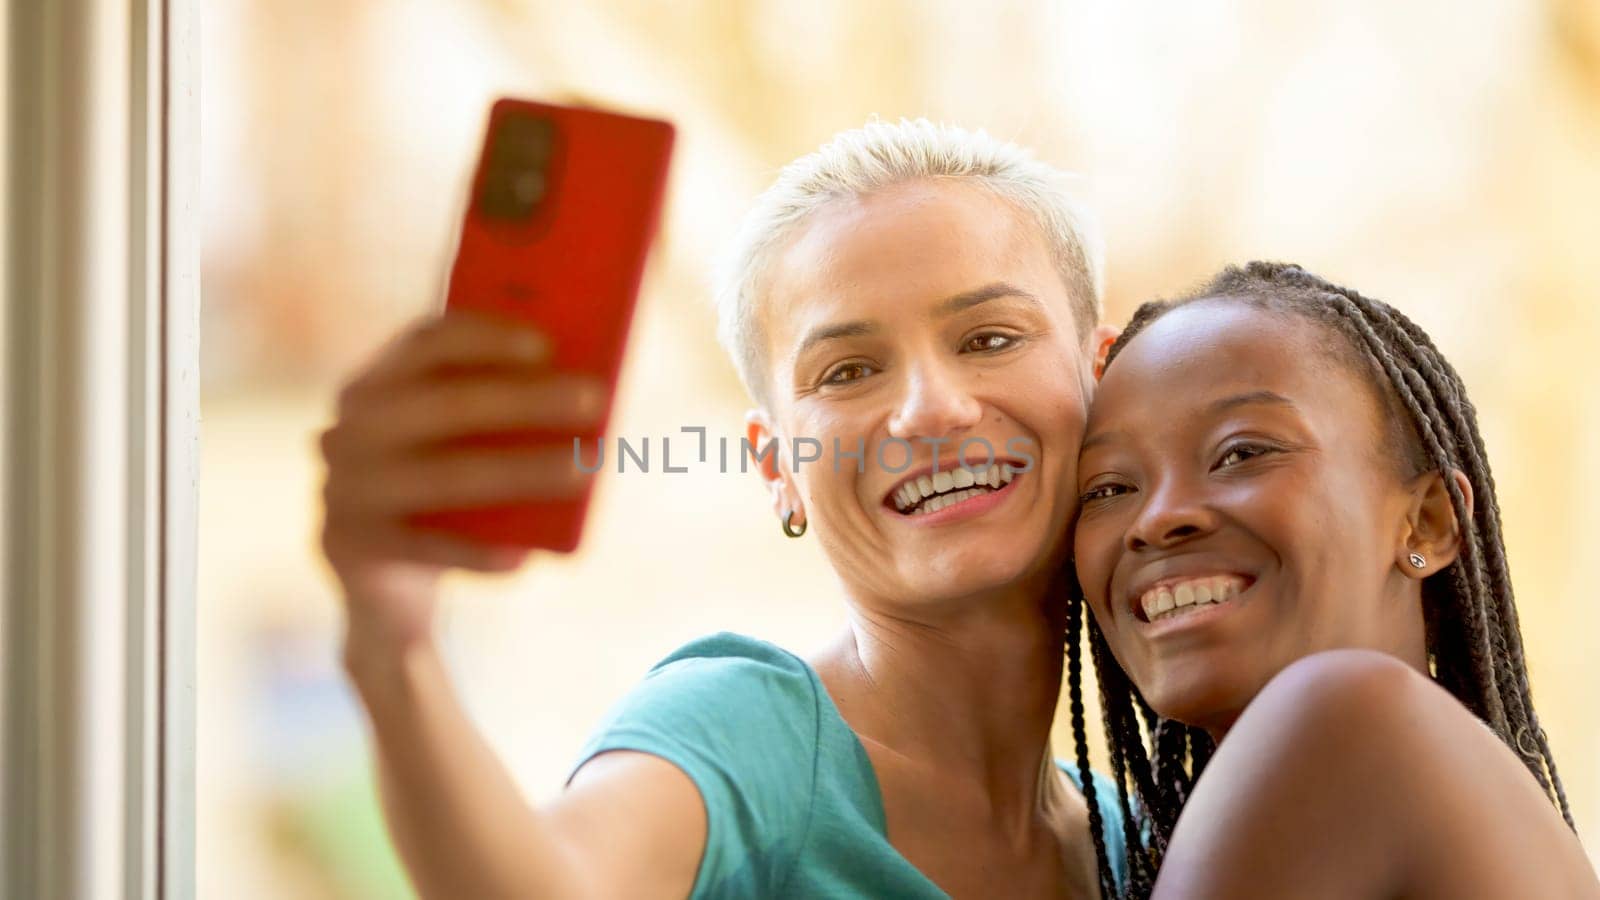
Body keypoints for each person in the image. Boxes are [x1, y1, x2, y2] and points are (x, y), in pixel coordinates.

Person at [318, 119, 1131, 898]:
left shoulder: (1144, 837)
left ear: (1110, 379)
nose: (928, 408)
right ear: (778, 466)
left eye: (988, 339)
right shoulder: (747, 740)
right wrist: (397, 648)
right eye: (847, 371)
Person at [1064, 261, 1599, 898]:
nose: (1157, 520)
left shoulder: (1341, 709)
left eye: (1242, 453)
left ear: (1426, 523)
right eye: (1109, 488)